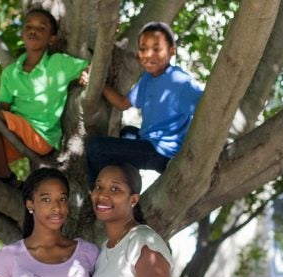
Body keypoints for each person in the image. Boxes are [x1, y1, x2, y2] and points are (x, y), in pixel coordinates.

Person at [0, 8, 89, 187]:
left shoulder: (59, 63)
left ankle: (4, 174)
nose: (33, 30)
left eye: (41, 28)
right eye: (28, 26)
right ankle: (11, 184)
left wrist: (86, 75)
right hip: (14, 134)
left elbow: (91, 68)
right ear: (22, 33)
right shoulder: (10, 73)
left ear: (52, 39)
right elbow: (3, 109)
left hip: (40, 135)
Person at [85, 21, 204, 187]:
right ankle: (127, 186)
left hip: (162, 152)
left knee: (96, 147)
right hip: (148, 141)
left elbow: (207, 112)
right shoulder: (149, 78)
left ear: (171, 51)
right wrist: (96, 84)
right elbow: (122, 103)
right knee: (128, 132)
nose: (148, 54)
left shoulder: (179, 81)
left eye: (156, 49)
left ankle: (99, 193)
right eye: (143, 49)